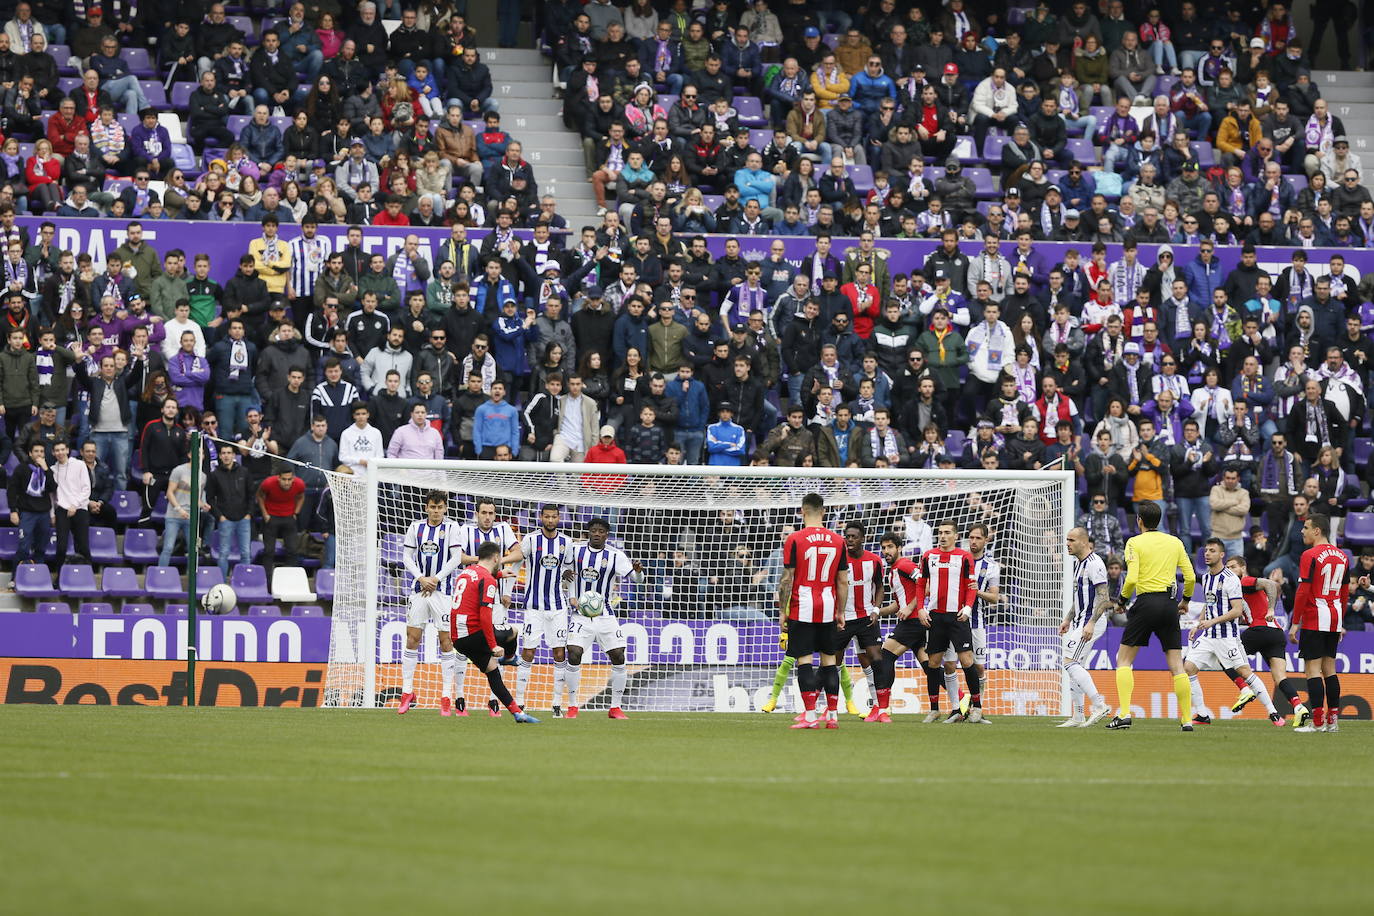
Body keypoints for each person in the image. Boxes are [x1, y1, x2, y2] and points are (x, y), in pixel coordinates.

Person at [1107, 501, 1196, 731]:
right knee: (1177, 665)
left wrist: (1122, 601)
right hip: (1169, 605)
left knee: (1124, 659)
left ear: (1139, 520)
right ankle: (1187, 719)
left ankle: (1125, 714)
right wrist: (1185, 601)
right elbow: (1191, 577)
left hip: (1146, 603)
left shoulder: (1134, 542)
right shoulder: (1175, 541)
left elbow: (1133, 578)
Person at [1183, 538, 1284, 727]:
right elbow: (1210, 603)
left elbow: (1237, 611)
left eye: (1212, 551)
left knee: (1245, 672)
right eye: (1206, 550)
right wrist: (1198, 624)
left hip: (1227, 636)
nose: (1207, 554)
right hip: (1208, 636)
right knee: (1188, 668)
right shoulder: (1205, 577)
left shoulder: (1230, 579)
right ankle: (1203, 714)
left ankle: (1273, 713)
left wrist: (1211, 621)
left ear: (1221, 555)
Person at [561, 516, 645, 719]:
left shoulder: (616, 555)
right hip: (581, 614)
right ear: (588, 532)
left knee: (619, 656)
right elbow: (564, 571)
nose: (597, 534)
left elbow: (637, 580)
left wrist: (639, 572)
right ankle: (572, 706)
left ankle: (615, 708)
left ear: (607, 535)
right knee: (573, 653)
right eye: (594, 530)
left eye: (601, 531)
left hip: (605, 614)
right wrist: (569, 589)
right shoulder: (575, 549)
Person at [448, 540, 540, 724]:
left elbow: (479, 581)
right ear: (497, 557)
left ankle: (517, 713)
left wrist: (498, 574)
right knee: (513, 631)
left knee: (492, 671)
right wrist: (493, 645)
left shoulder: (466, 572)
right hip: (474, 634)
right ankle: (508, 656)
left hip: (458, 639)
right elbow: (484, 616)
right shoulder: (488, 580)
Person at [778, 492, 849, 729]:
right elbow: (842, 581)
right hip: (828, 607)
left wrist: (783, 611)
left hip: (803, 606)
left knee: (804, 660)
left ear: (802, 511)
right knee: (829, 661)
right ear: (824, 512)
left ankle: (809, 716)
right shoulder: (839, 540)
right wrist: (840, 611)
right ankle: (832, 716)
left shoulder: (795, 539)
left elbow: (787, 579)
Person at [396, 490, 465, 717]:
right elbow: (406, 557)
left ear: (445, 508)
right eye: (432, 507)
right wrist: (421, 578)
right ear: (426, 507)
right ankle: (407, 692)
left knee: (446, 642)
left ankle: (446, 696)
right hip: (419, 591)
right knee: (412, 639)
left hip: (443, 593)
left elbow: (456, 558)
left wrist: (436, 579)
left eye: (440, 507)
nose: (436, 511)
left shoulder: (452, 528)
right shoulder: (416, 528)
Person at [501, 503, 572, 716]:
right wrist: (508, 590)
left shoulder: (566, 542)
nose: (550, 521)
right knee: (528, 651)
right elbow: (516, 563)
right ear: (541, 517)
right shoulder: (531, 540)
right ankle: (520, 701)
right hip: (533, 606)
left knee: (559, 653)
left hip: (558, 607)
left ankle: (557, 704)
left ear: (559, 519)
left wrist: (572, 592)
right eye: (547, 517)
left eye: (554, 517)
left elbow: (569, 571)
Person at [1288, 514, 1353, 732]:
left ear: (1317, 531)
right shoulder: (1343, 556)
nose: (1302, 531)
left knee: (1313, 670)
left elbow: (1303, 590)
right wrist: (1340, 621)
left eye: (1306, 527)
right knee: (1330, 670)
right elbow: (1344, 593)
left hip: (1315, 617)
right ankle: (1333, 722)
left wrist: (1295, 621)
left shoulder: (1310, 555)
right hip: (1334, 617)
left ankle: (1317, 723)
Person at [1226, 556, 1303, 726]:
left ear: (1243, 568)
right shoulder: (1235, 587)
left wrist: (1270, 608)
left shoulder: (1244, 581)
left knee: (1226, 656)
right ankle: (1298, 707)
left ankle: (1244, 689)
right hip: (1275, 633)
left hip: (1259, 630)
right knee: (1280, 677)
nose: (1229, 570)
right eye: (1227, 567)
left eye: (1233, 567)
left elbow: (1270, 584)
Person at [1058, 527, 1113, 727]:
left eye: (1071, 540)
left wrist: (1091, 623)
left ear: (1084, 541)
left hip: (1092, 621)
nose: (1067, 544)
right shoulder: (1079, 564)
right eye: (1067, 540)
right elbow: (1080, 598)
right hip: (1081, 620)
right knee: (1074, 667)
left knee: (1069, 661)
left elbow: (1104, 597)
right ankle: (1078, 716)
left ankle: (1100, 705)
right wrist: (1067, 619)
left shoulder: (1094, 563)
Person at [205, 442, 252, 580]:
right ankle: (222, 582)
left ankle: (245, 581)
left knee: (246, 553)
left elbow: (251, 495)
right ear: (220, 456)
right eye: (223, 453)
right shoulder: (214, 475)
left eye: (229, 453)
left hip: (244, 518)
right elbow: (210, 498)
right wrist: (219, 516)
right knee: (224, 552)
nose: (226, 456)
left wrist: (249, 514)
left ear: (234, 455)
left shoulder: (244, 472)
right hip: (225, 519)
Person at [7, 440, 53, 565]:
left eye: (42, 451)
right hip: (27, 513)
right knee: (23, 547)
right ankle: (15, 577)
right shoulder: (21, 468)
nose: (39, 454)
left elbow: (53, 488)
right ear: (30, 453)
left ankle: (38, 577)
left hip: (44, 513)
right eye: (36, 451)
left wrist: (46, 470)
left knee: (41, 548)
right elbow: (11, 491)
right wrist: (13, 511)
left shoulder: (48, 469)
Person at [257, 464, 305, 579]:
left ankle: (289, 579)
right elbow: (259, 496)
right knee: (269, 551)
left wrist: (296, 512)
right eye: (284, 479)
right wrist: (265, 514)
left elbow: (301, 496)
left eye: (289, 479)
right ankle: (267, 580)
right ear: (278, 477)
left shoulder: (299, 484)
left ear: (293, 478)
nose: (287, 483)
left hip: (289, 517)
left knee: (292, 550)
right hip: (271, 517)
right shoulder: (268, 483)